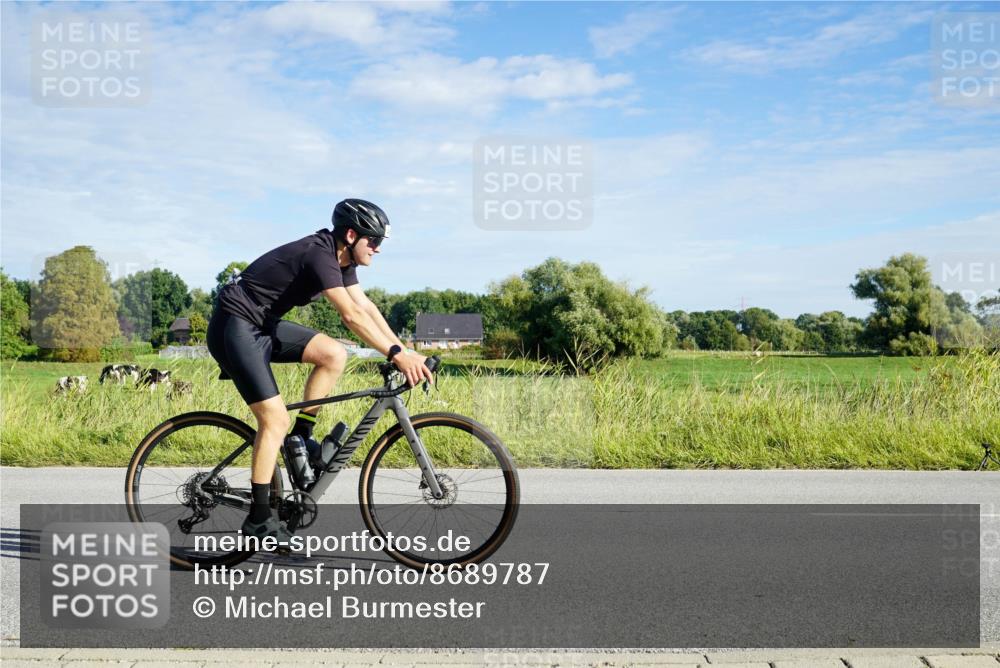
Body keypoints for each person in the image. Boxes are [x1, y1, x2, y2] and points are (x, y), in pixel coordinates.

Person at [207, 199, 433, 543]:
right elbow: (350, 316)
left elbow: (365, 306)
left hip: (263, 324)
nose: (377, 248)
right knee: (274, 420)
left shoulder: (343, 260)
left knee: (333, 354)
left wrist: (402, 349)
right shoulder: (319, 254)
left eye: (380, 242)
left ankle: (303, 438)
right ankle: (258, 517)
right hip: (234, 326)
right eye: (373, 241)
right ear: (351, 234)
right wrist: (395, 355)